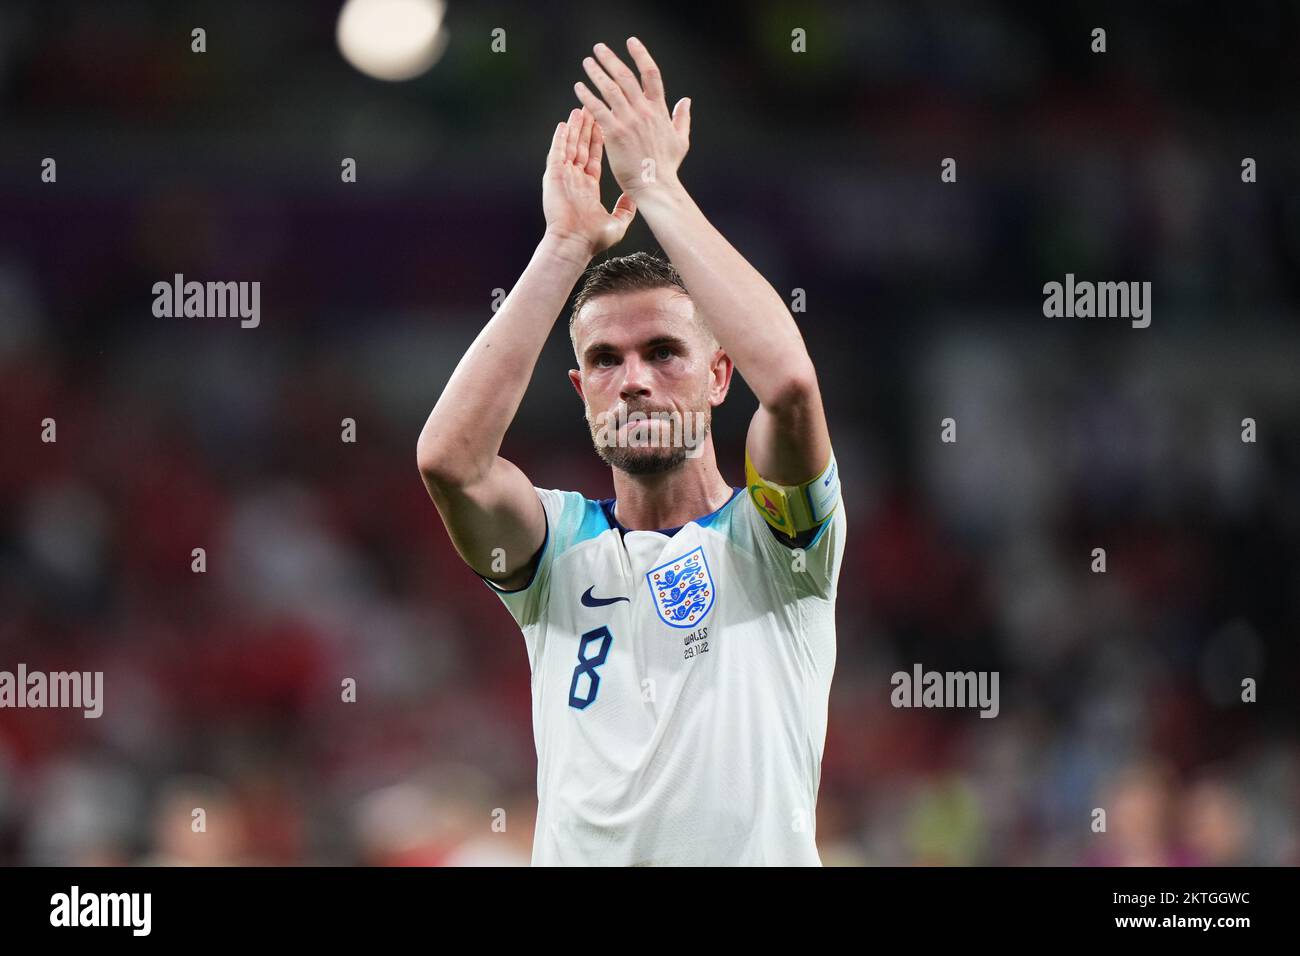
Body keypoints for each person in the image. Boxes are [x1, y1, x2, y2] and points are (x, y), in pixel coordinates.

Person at [417, 37, 844, 865]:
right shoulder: (555, 556)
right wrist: (565, 248)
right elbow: (450, 464)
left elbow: (789, 385)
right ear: (582, 392)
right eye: (605, 361)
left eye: (664, 352)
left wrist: (655, 187)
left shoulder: (778, 542)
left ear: (720, 375)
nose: (634, 379)